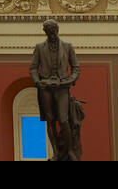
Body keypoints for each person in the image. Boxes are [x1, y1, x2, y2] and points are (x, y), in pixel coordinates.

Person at [30, 18, 84, 160]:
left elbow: (76, 68)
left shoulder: (67, 46)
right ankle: (56, 152)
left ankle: (70, 150)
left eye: (53, 32)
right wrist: (37, 82)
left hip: (62, 87)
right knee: (50, 120)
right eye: (48, 33)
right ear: (45, 32)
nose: (51, 35)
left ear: (57, 30)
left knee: (63, 119)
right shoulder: (39, 47)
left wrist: (69, 81)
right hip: (46, 88)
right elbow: (33, 68)